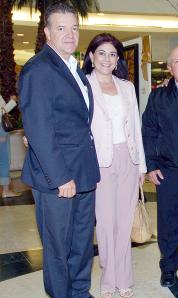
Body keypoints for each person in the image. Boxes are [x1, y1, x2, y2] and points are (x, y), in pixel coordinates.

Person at [18, 3, 100, 298]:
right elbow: (39, 128)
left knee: (80, 242)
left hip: (83, 171)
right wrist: (61, 177)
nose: (69, 34)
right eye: (61, 28)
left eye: (74, 27)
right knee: (58, 247)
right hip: (59, 178)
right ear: (47, 32)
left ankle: (80, 291)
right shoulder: (39, 69)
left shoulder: (73, 68)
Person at [82, 33, 147, 298]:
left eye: (112, 54)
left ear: (118, 59)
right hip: (100, 161)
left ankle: (124, 279)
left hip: (128, 159)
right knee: (106, 224)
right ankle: (108, 280)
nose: (107, 59)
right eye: (101, 53)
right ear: (91, 56)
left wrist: (141, 165)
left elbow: (136, 126)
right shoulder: (83, 85)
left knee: (124, 223)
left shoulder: (127, 87)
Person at [141, 45, 178, 288]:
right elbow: (149, 131)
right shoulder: (159, 96)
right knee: (169, 223)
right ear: (170, 68)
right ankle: (169, 267)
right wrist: (151, 165)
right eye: (177, 62)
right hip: (169, 170)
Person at [0, 94, 21, 198]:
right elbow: (1, 112)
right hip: (0, 130)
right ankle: (5, 191)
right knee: (4, 160)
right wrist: (12, 101)